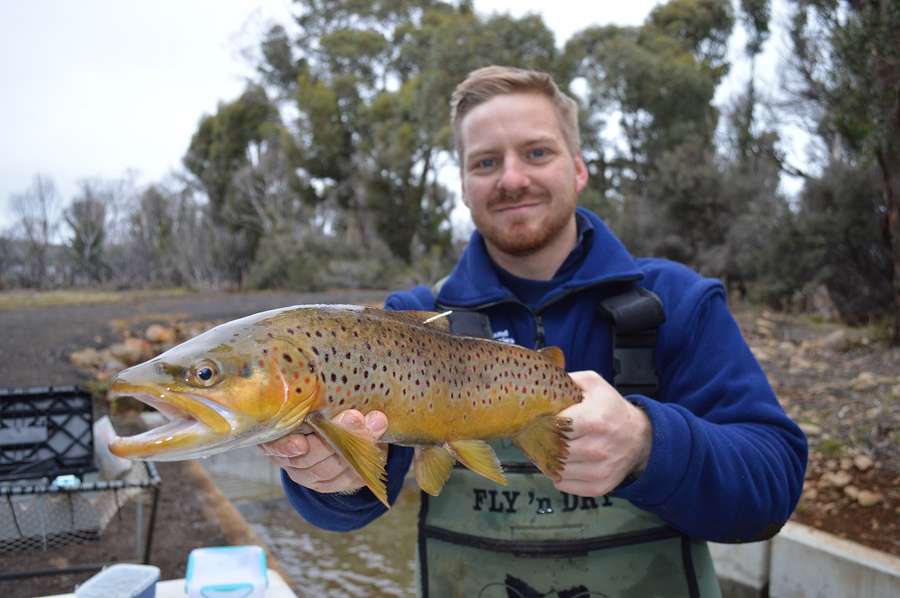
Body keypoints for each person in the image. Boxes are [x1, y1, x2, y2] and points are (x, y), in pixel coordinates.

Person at [259, 66, 807, 597]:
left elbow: (772, 486)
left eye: (537, 153)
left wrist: (648, 444)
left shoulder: (679, 303)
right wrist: (326, 476)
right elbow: (347, 509)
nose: (512, 178)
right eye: (486, 162)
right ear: (465, 187)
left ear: (579, 168)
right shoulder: (413, 322)